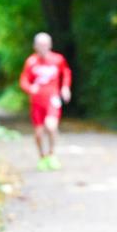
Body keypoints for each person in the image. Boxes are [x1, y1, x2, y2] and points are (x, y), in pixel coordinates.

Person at [19, 32, 72, 170]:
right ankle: (42, 158)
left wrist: (65, 88)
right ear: (35, 46)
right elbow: (23, 80)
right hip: (37, 102)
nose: (43, 47)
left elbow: (66, 73)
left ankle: (52, 154)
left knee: (51, 126)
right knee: (38, 133)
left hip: (52, 99)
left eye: (45, 44)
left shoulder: (58, 59)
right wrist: (30, 88)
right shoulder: (31, 62)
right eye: (40, 45)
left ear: (50, 45)